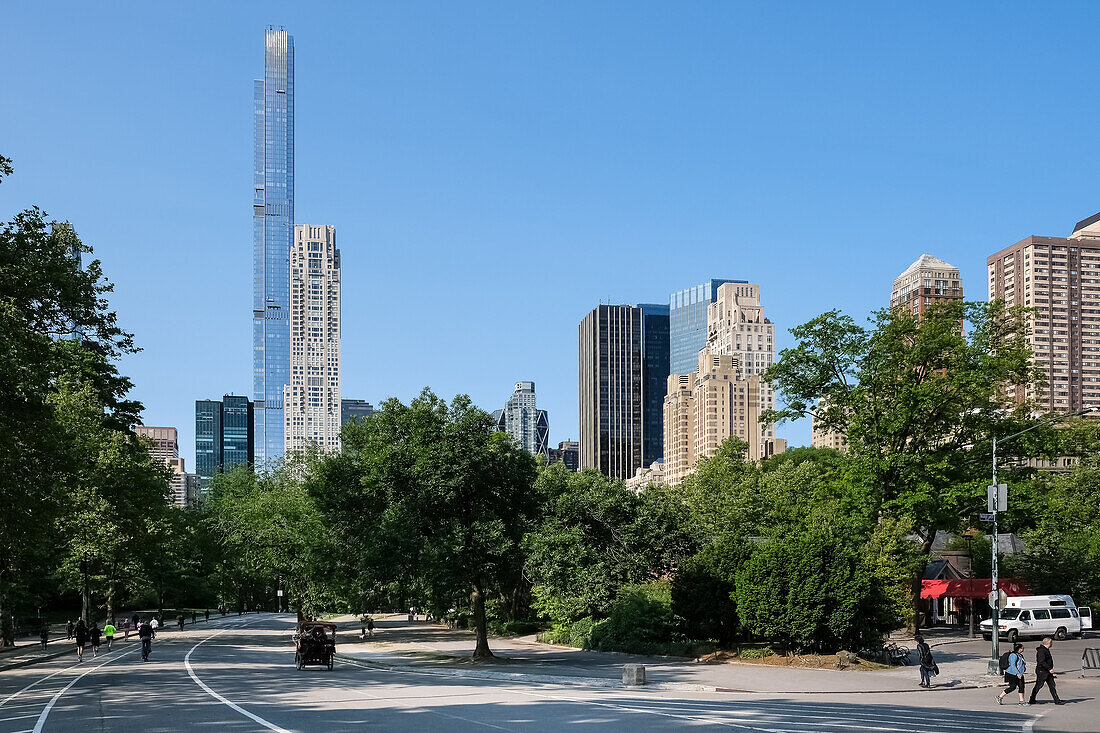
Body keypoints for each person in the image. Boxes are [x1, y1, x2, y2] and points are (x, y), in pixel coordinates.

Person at [1028, 637, 1065, 705]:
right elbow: (1041, 662)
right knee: (1039, 685)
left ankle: (1057, 700)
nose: (1052, 644)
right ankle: (1032, 699)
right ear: (1048, 643)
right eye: (1051, 643)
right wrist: (1049, 668)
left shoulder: (1045, 650)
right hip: (1042, 671)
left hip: (1047, 672)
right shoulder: (1041, 651)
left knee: (1052, 685)